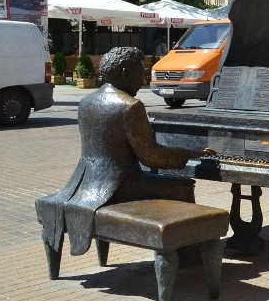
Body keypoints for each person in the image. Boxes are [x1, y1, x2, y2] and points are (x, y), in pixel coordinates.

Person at [36, 47, 209, 257]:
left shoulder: (86, 102)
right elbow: (150, 156)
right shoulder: (130, 106)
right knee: (182, 187)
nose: (143, 78)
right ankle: (187, 253)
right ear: (126, 73)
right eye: (140, 72)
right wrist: (188, 154)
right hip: (119, 186)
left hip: (83, 183)